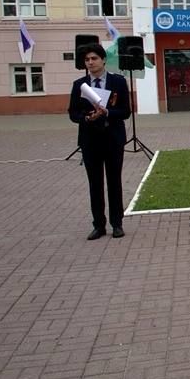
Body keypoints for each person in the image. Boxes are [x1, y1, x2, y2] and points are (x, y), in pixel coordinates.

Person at [68, 43, 131, 240]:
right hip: (90, 141)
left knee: (114, 182)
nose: (90, 62)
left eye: (94, 58)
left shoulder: (118, 82)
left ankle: (117, 223)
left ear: (103, 60)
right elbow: (73, 113)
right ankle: (98, 225)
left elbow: (126, 111)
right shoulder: (80, 85)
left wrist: (108, 112)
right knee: (95, 184)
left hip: (112, 139)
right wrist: (87, 118)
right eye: (87, 60)